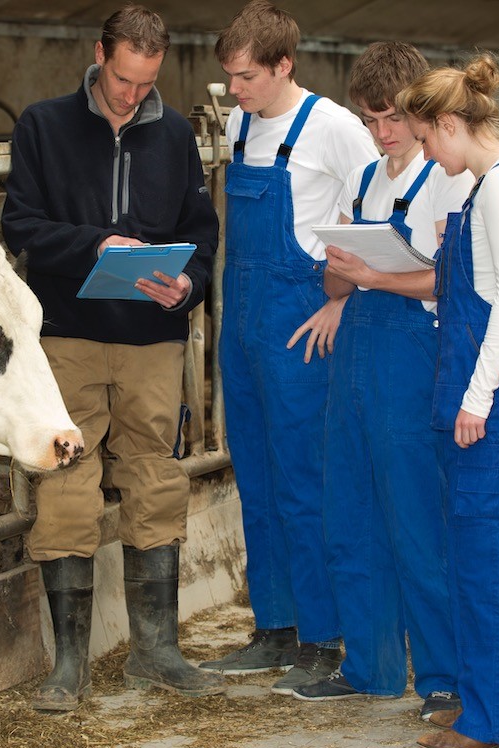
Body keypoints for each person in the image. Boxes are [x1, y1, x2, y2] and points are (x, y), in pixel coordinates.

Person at [0, 4, 225, 712]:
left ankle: (156, 650)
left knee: (155, 476)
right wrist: (95, 244)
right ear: (100, 55)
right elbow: (21, 225)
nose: (133, 94)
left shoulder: (175, 135)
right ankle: (69, 665)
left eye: (146, 81)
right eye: (124, 78)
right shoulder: (43, 125)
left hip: (151, 339)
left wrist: (187, 283)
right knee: (66, 475)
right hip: (66, 331)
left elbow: (201, 230)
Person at [287, 42, 472, 727]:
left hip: (408, 359)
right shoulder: (364, 179)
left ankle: (445, 678)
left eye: (392, 118)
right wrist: (340, 276)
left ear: (417, 110)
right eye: (370, 121)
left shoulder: (445, 178)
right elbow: (333, 275)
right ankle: (369, 666)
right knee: (351, 515)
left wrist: (369, 277)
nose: (383, 134)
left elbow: (449, 277)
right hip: (355, 362)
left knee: (416, 524)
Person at [198, 0, 378, 696]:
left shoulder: (332, 127)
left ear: (282, 65)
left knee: (306, 476)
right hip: (242, 317)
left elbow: (378, 208)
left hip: (298, 313)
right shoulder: (242, 123)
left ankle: (322, 632)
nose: (234, 90)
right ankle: (272, 625)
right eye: (230, 76)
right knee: (257, 472)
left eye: (245, 77)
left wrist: (341, 296)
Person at [396, 54, 499, 748]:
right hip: (483, 389)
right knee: (478, 554)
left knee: (492, 557)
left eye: (426, 140)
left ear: (447, 125)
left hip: (498, 398)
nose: (427, 156)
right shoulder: (481, 188)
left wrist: (475, 395)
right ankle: (493, 702)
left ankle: (490, 723)